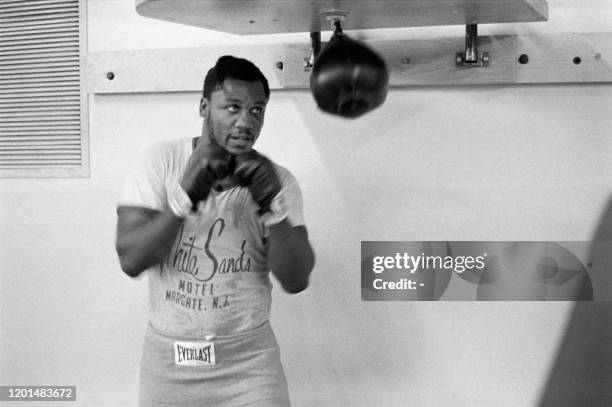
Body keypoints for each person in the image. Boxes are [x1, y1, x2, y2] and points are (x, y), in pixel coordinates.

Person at [115, 55, 315, 407]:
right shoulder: (160, 162)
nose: (245, 122)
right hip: (169, 362)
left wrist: (273, 207)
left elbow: (296, 279)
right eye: (233, 107)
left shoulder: (278, 180)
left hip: (250, 364)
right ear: (205, 106)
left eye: (257, 110)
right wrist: (183, 198)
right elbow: (131, 259)